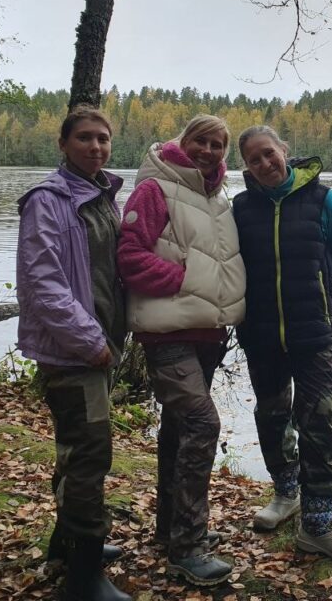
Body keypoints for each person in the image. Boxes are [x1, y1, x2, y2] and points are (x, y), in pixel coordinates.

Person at [117, 114, 245, 587]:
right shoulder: (155, 190)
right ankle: (187, 547)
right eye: (201, 141)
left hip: (206, 335)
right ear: (182, 141)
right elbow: (131, 257)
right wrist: (187, 281)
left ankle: (170, 529)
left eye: (217, 144)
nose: (208, 151)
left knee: (176, 429)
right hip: (167, 334)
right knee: (201, 422)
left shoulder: (215, 197)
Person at [232, 125, 332, 563]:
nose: (265, 164)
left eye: (269, 153)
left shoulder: (322, 199)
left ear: (284, 151)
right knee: (271, 416)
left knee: (320, 424)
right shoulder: (241, 207)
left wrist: (313, 294)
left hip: (313, 334)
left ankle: (319, 525)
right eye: (254, 159)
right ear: (245, 166)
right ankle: (285, 494)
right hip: (262, 335)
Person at [15, 105, 131, 601]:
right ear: (63, 144)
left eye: (103, 139)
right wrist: (91, 344)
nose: (96, 147)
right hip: (74, 353)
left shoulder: (104, 196)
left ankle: (64, 545)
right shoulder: (48, 200)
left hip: (102, 346)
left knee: (74, 450)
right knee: (89, 456)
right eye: (85, 138)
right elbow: (43, 283)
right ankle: (84, 578)